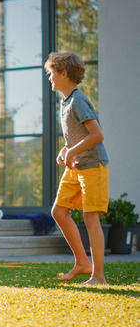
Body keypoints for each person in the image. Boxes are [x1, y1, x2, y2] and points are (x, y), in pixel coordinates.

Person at [45, 52, 109, 285]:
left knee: (90, 218)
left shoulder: (78, 101)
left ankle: (98, 276)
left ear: (64, 73)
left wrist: (72, 151)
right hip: (76, 165)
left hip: (93, 165)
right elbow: (78, 136)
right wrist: (67, 149)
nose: (50, 78)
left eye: (52, 74)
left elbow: (97, 135)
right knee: (58, 212)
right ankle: (82, 262)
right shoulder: (65, 102)